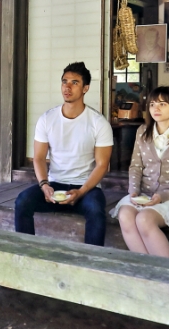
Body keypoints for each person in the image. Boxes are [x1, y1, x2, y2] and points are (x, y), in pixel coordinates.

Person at [14, 62, 113, 246]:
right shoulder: (47, 119)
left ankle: (91, 264)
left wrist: (82, 191)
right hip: (55, 185)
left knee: (96, 210)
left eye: (74, 82)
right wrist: (44, 185)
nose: (67, 87)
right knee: (23, 201)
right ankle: (26, 253)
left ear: (86, 88)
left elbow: (102, 165)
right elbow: (39, 158)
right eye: (64, 81)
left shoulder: (98, 123)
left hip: (86, 187)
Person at [112, 85, 169, 257]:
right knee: (125, 215)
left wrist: (163, 196)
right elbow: (135, 167)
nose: (156, 108)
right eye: (152, 104)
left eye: (162, 104)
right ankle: (146, 271)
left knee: (144, 219)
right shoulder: (142, 132)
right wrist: (133, 191)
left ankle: (166, 274)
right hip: (144, 195)